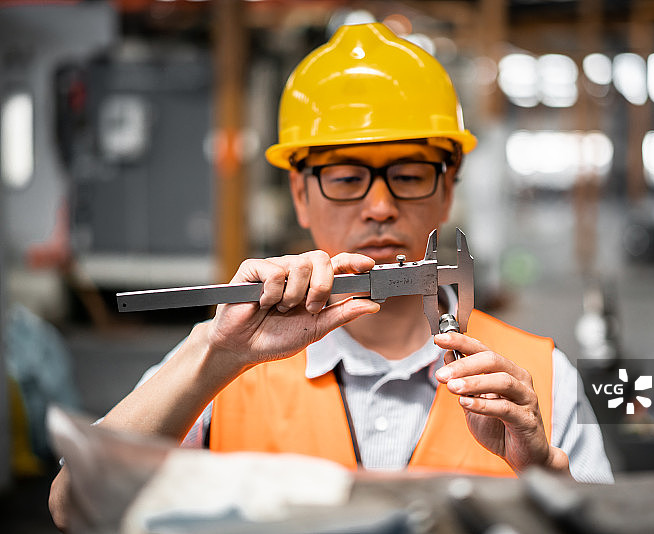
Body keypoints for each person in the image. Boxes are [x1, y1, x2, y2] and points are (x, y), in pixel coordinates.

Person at [50, 21, 612, 530]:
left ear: (447, 188)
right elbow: (72, 505)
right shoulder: (222, 367)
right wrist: (215, 353)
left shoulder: (539, 377)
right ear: (300, 194)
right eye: (345, 179)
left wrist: (544, 471)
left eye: (409, 175)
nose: (380, 207)